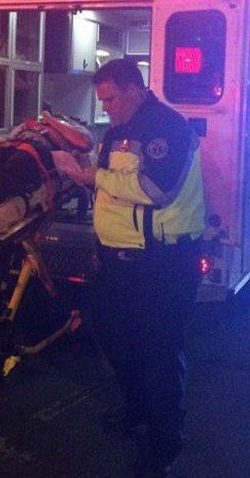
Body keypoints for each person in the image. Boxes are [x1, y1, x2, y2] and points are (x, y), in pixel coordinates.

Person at [64, 58, 206, 475]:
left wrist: (95, 178)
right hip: (118, 260)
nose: (104, 107)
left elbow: (156, 190)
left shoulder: (166, 127)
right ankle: (137, 408)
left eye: (109, 98)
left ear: (133, 90)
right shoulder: (117, 133)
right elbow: (112, 190)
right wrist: (83, 178)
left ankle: (164, 442)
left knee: (159, 352)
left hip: (161, 263)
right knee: (111, 334)